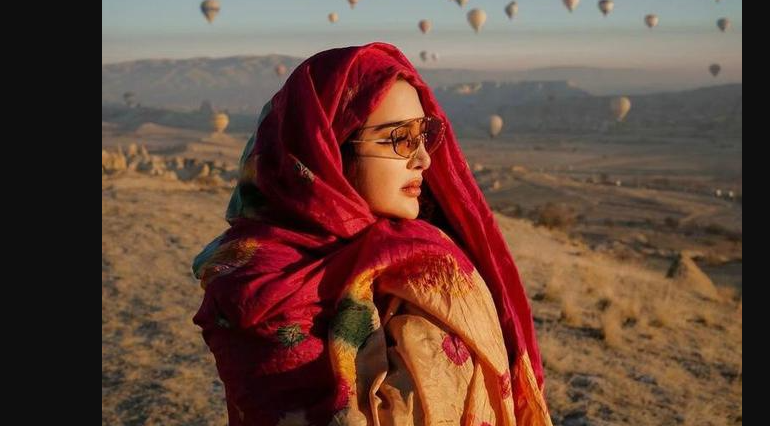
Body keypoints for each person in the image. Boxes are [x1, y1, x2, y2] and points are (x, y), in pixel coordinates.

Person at [192, 42, 552, 426]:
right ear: (328, 151)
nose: (423, 158)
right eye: (399, 138)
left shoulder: (419, 253)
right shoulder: (252, 282)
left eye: (425, 135)